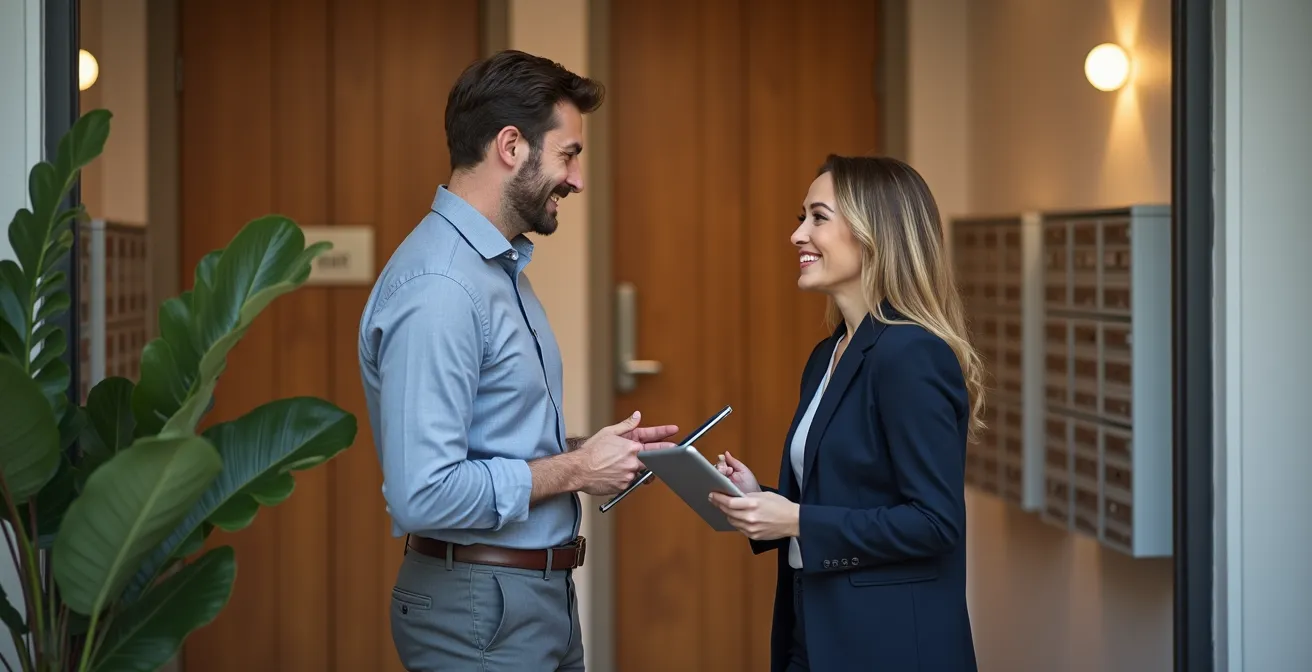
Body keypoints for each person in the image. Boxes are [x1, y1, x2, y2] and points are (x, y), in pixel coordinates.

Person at [357, 50, 679, 671]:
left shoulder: (495, 267)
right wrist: (576, 470)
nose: (577, 179)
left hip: (529, 600)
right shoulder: (441, 288)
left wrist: (594, 453)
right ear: (511, 146)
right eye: (569, 154)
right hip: (483, 612)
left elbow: (488, 442)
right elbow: (422, 494)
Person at [709, 154, 984, 671]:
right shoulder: (828, 355)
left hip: (889, 644)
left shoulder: (911, 355)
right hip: (815, 624)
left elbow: (934, 522)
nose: (797, 236)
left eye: (818, 217)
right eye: (801, 218)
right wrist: (764, 499)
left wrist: (794, 519)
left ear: (873, 234)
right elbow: (846, 495)